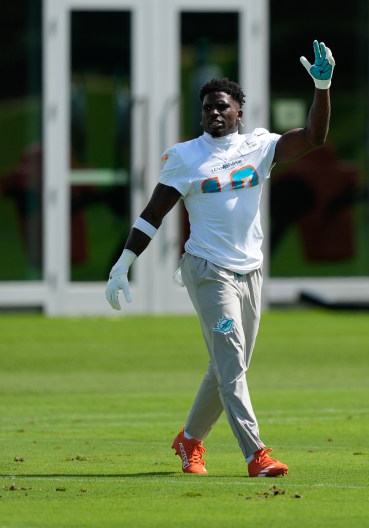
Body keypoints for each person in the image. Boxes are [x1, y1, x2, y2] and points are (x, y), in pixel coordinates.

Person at [104, 40, 335, 478]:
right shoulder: (186, 157)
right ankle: (256, 454)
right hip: (207, 269)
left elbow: (313, 138)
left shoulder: (259, 147)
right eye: (208, 106)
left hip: (251, 271)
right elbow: (153, 214)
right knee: (231, 361)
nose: (214, 112)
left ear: (238, 112)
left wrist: (321, 87)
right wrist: (122, 264)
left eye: (223, 106)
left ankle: (189, 440)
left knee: (229, 365)